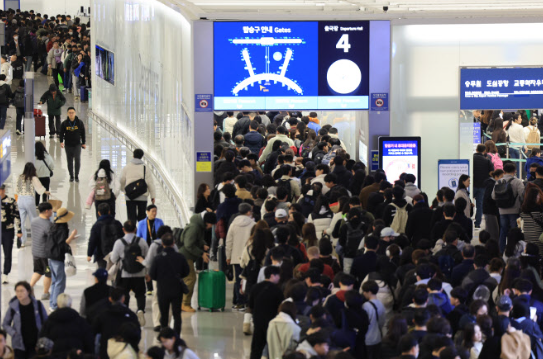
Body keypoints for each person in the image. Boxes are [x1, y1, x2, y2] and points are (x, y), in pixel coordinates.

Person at [149, 233, 190, 334]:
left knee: (164, 314)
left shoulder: (158, 258)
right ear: (174, 243)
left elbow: (152, 275)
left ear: (162, 243)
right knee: (177, 314)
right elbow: (186, 272)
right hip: (176, 289)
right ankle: (176, 335)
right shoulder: (180, 257)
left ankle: (164, 334)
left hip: (163, 289)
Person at [110, 220, 149, 326]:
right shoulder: (141, 241)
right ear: (135, 229)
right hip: (139, 274)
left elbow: (113, 259)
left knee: (124, 295)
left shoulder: (119, 242)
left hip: (124, 274)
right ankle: (140, 310)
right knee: (140, 294)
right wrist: (147, 273)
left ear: (123, 229)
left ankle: (125, 315)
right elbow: (147, 258)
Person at [178, 212, 216, 312]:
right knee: (190, 278)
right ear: (207, 222)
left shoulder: (198, 226)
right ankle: (185, 303)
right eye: (211, 224)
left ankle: (181, 302)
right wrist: (202, 253)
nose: (211, 226)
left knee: (186, 279)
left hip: (187, 256)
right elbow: (188, 245)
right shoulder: (194, 227)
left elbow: (198, 239)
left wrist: (203, 244)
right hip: (185, 256)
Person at [2, 281, 48, 359]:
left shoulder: (38, 305)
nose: (19, 293)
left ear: (28, 291)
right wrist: (13, 333)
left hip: (36, 344)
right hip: (19, 344)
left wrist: (43, 335)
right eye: (17, 291)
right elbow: (5, 324)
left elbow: (46, 322)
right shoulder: (13, 307)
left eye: (22, 291)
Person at [93, 287, 140, 359]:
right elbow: (137, 335)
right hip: (126, 351)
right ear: (123, 299)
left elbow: (94, 332)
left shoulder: (102, 315)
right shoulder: (131, 316)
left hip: (106, 351)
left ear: (110, 299)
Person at [249, 266, 284, 359]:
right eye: (278, 276)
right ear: (272, 276)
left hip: (258, 323)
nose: (279, 278)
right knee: (271, 348)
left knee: (256, 348)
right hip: (272, 324)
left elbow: (250, 305)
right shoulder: (278, 291)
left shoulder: (255, 288)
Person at [46, 207, 77, 311]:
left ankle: (52, 303)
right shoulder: (62, 228)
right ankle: (55, 305)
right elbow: (63, 244)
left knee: (55, 281)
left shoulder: (53, 226)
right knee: (60, 282)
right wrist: (72, 236)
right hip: (58, 257)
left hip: (51, 257)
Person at [226, 203, 255, 309]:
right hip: (249, 257)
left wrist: (228, 256)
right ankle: (248, 301)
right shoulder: (253, 224)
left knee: (238, 280)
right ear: (248, 212)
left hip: (235, 257)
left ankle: (239, 302)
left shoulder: (233, 224)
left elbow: (229, 242)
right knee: (248, 279)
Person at [492, 162, 525, 252]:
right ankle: (513, 250)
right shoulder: (517, 182)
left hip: (502, 211)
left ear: (504, 171)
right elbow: (523, 195)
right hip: (514, 211)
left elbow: (493, 196)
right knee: (514, 232)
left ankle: (501, 251)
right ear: (514, 171)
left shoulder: (498, 182)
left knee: (503, 231)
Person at [16, 162, 50, 248]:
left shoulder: (20, 177)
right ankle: (36, 240)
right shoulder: (33, 178)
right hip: (29, 200)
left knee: (22, 221)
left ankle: (23, 242)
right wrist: (46, 192)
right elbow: (40, 188)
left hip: (20, 199)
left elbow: (17, 189)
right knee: (33, 220)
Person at [120, 148, 157, 223]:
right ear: (141, 156)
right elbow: (150, 183)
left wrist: (124, 190)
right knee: (142, 217)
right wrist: (153, 196)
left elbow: (121, 181)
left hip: (130, 196)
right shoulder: (145, 168)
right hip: (142, 196)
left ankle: (132, 232)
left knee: (131, 217)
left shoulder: (126, 167)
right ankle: (141, 233)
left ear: (133, 155)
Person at [87, 203, 124, 268]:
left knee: (102, 275)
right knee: (115, 274)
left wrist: (89, 254)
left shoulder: (96, 225)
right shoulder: (117, 223)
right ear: (109, 212)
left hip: (101, 254)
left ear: (98, 213)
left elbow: (92, 241)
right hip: (116, 253)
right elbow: (122, 237)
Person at [0, 184, 21, 284]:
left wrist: (19, 231)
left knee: (7, 253)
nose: (1, 192)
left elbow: (17, 216)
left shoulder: (11, 201)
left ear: (4, 190)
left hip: (8, 230)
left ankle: (5, 274)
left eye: (2, 190)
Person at [59, 107, 86, 182]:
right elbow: (61, 133)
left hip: (77, 144)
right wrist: (61, 142)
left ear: (75, 113)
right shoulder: (64, 123)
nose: (71, 114)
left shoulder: (79, 122)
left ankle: (76, 175)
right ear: (67, 113)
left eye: (72, 112)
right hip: (68, 145)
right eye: (69, 113)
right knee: (69, 160)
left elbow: (83, 133)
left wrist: (83, 143)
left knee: (77, 159)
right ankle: (71, 175)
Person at [362, 280, 386, 359]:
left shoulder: (366, 306)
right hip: (378, 338)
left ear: (369, 292)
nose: (363, 293)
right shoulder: (381, 304)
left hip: (367, 339)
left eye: (364, 291)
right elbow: (382, 322)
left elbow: (364, 322)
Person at [473, 144, 494, 229]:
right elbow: (491, 172)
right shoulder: (487, 161)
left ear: (476, 149)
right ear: (484, 151)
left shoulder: (472, 159)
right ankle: (477, 223)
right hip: (483, 185)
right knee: (480, 205)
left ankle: (468, 218)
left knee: (468, 202)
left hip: (472, 184)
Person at [483, 169, 503, 241]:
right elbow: (489, 197)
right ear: (496, 177)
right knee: (492, 231)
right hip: (490, 210)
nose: (502, 179)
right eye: (501, 176)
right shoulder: (492, 184)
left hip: (491, 210)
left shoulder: (492, 183)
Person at [34, 142, 54, 206]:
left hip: (36, 178)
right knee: (46, 192)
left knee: (37, 192)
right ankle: (45, 205)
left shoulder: (33, 157)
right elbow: (52, 166)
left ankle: (36, 205)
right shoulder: (48, 156)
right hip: (46, 177)